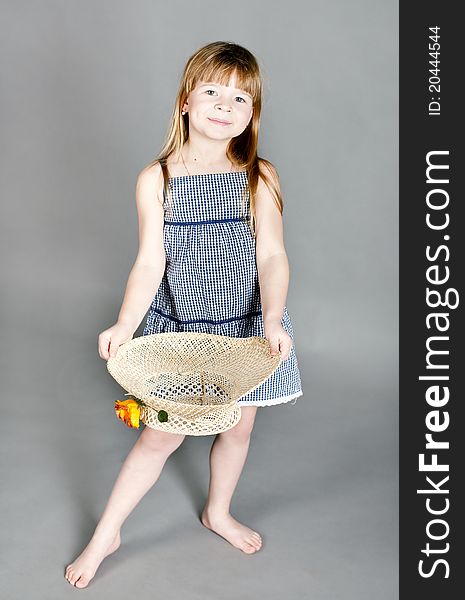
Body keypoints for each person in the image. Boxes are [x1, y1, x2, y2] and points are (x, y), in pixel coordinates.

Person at [65, 40, 303, 588]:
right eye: (213, 91)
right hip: (181, 328)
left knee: (238, 430)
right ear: (185, 103)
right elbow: (149, 262)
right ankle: (107, 534)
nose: (226, 105)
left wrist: (271, 318)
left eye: (241, 98)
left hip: (245, 324)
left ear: (251, 115)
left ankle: (217, 511)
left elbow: (272, 255)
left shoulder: (259, 176)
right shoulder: (157, 178)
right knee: (157, 436)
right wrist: (125, 324)